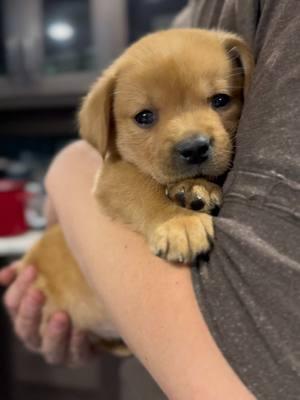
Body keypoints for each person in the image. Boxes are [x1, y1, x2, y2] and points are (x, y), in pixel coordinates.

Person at [1, 0, 300, 398]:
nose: (191, 136)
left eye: (219, 100)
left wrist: (67, 171)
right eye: (146, 117)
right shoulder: (196, 19)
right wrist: (161, 216)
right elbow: (112, 179)